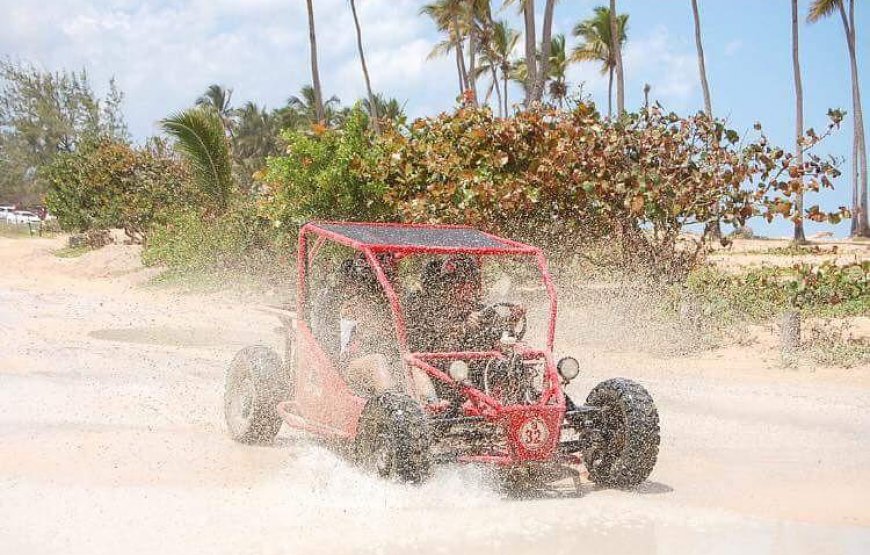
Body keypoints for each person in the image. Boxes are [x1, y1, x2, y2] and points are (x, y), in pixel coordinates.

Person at [405, 254, 486, 353]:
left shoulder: (475, 306)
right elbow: (435, 337)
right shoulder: (423, 307)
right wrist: (464, 327)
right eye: (458, 283)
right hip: (432, 359)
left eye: (470, 283)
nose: (467, 289)